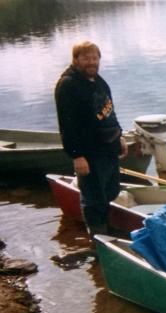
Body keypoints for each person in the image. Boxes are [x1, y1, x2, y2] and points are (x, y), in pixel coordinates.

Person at [54, 41, 128, 236]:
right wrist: (77, 155)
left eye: (95, 58)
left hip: (108, 149)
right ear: (76, 59)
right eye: (86, 58)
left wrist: (119, 135)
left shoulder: (98, 81)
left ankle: (107, 229)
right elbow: (66, 125)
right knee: (93, 199)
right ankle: (98, 241)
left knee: (111, 191)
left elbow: (109, 111)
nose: (91, 62)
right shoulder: (68, 85)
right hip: (89, 153)